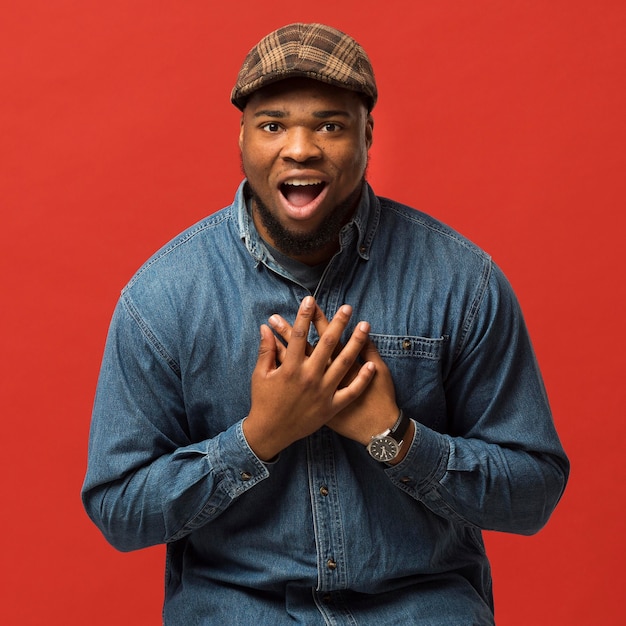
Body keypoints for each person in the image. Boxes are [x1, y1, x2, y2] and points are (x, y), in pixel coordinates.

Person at [82, 22, 569, 625]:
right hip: (238, 611)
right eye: (273, 124)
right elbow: (119, 509)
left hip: (421, 608)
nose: (301, 148)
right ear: (241, 138)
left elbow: (534, 493)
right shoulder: (161, 298)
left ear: (369, 134)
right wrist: (259, 437)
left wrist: (397, 438)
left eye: (331, 125)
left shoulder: (462, 282)